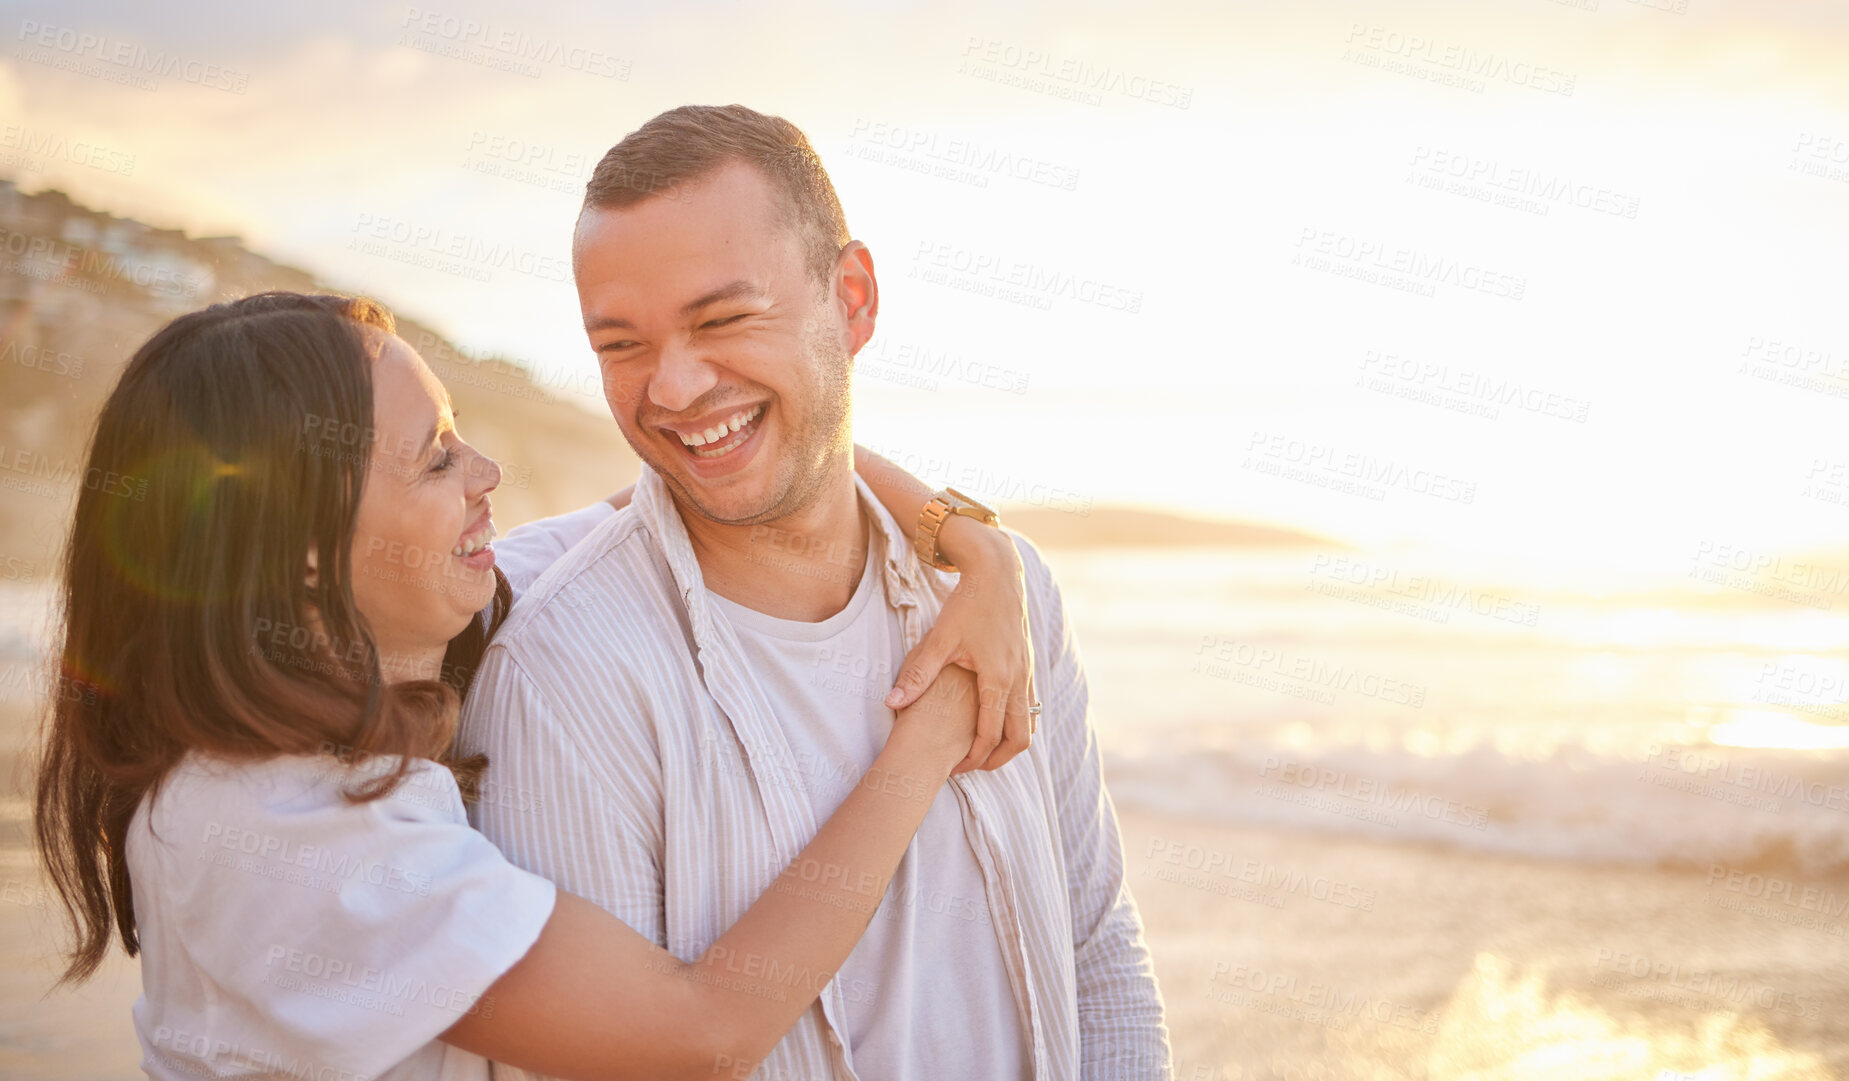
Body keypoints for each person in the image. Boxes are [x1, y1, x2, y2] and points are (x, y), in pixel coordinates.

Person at [33, 291, 1041, 1080]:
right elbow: (705, 1033)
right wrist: (930, 731)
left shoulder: (427, 622)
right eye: (435, 459)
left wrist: (973, 548)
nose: (486, 471)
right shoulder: (281, 832)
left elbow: (737, 476)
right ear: (304, 554)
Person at [461, 104, 1172, 1081]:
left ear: (853, 298)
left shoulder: (1000, 595)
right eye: (621, 343)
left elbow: (1093, 948)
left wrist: (979, 544)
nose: (671, 388)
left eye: (722, 320)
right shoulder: (561, 668)